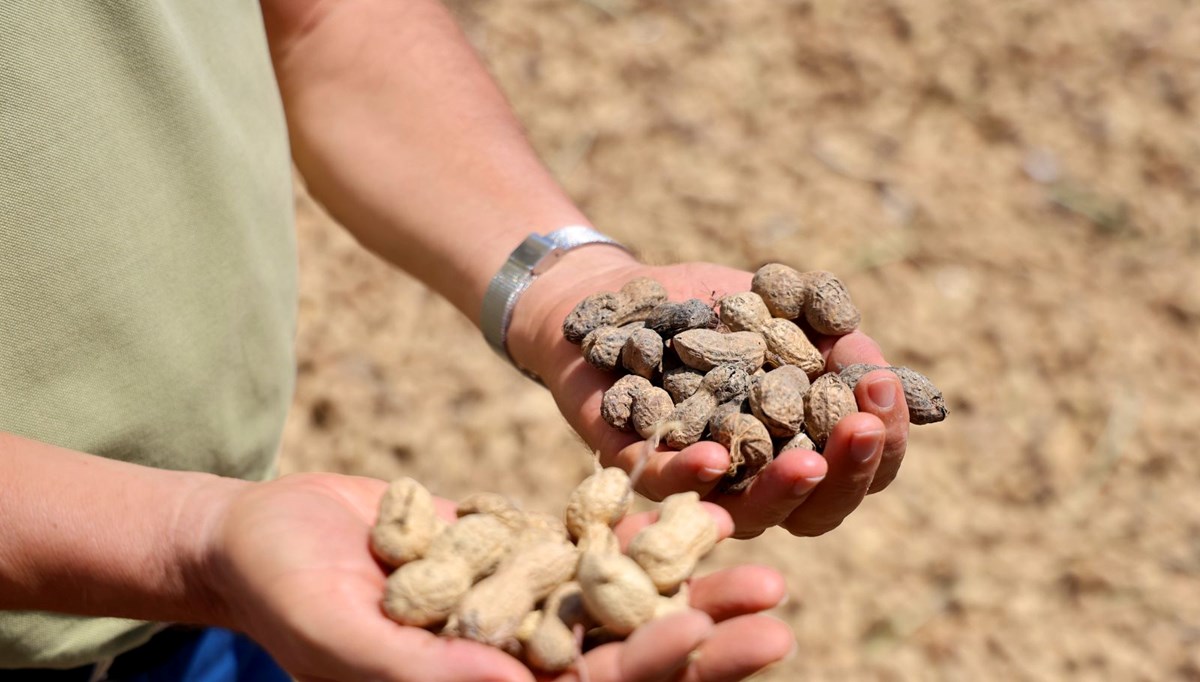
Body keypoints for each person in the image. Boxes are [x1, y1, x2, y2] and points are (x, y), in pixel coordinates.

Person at [0, 1, 910, 680]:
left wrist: (567, 282)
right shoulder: (220, 552)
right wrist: (186, 542)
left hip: (219, 585)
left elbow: (322, 23)